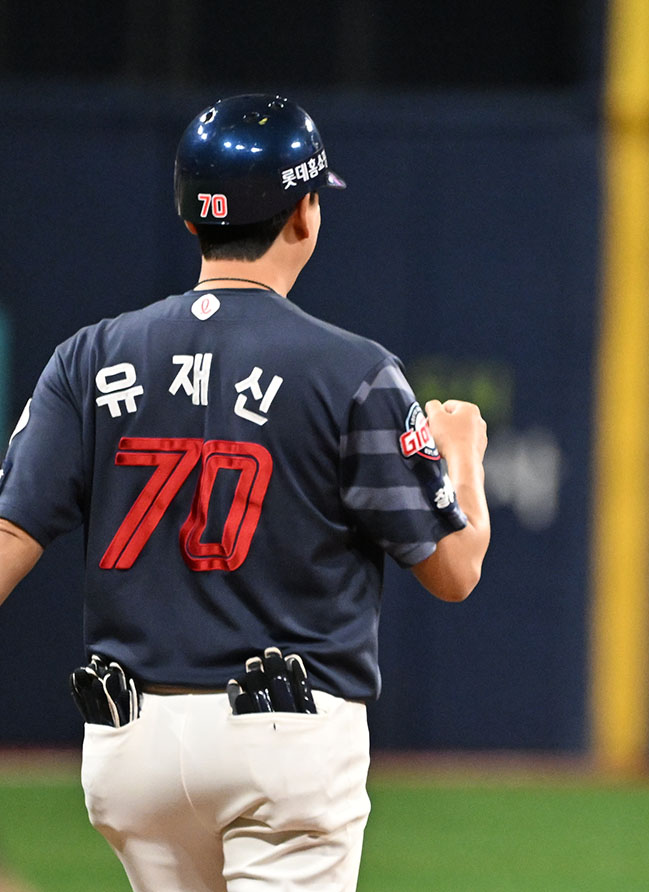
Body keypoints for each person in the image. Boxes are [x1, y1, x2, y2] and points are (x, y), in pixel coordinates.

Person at [0, 93, 490, 891]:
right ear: (304, 214)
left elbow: (8, 539)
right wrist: (463, 458)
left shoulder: (88, 358)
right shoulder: (353, 372)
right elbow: (454, 570)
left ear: (191, 219)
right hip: (281, 739)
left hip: (131, 746)